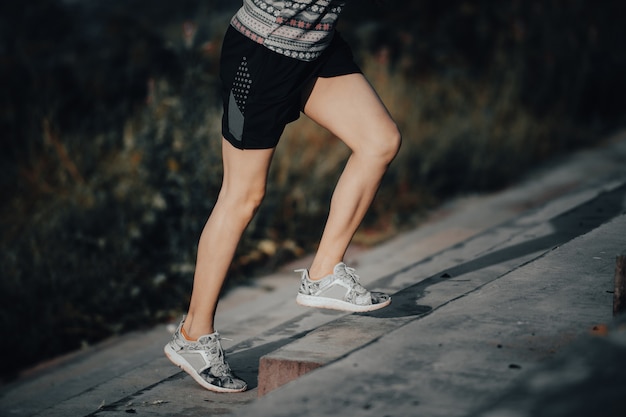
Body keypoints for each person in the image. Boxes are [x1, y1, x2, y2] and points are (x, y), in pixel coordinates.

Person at [164, 0, 401, 393]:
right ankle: (192, 336)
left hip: (316, 48)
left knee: (379, 141)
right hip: (261, 53)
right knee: (243, 195)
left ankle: (324, 273)